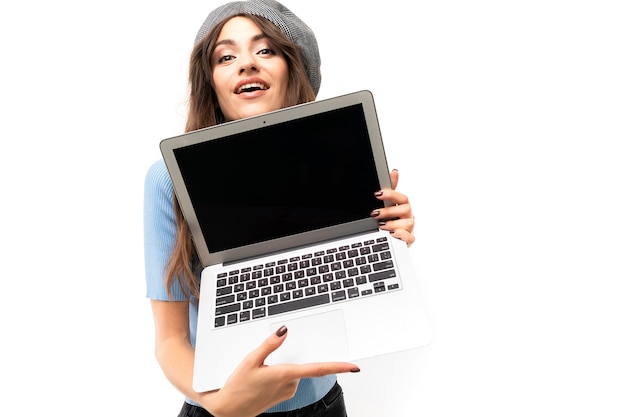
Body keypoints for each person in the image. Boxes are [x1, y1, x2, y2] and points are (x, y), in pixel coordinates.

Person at [143, 1, 415, 416]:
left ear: (294, 68)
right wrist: (221, 403)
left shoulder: (340, 160)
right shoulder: (168, 179)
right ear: (211, 81)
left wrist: (390, 240)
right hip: (217, 406)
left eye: (266, 50)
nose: (247, 64)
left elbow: (346, 269)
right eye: (226, 56)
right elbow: (169, 341)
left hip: (323, 405)